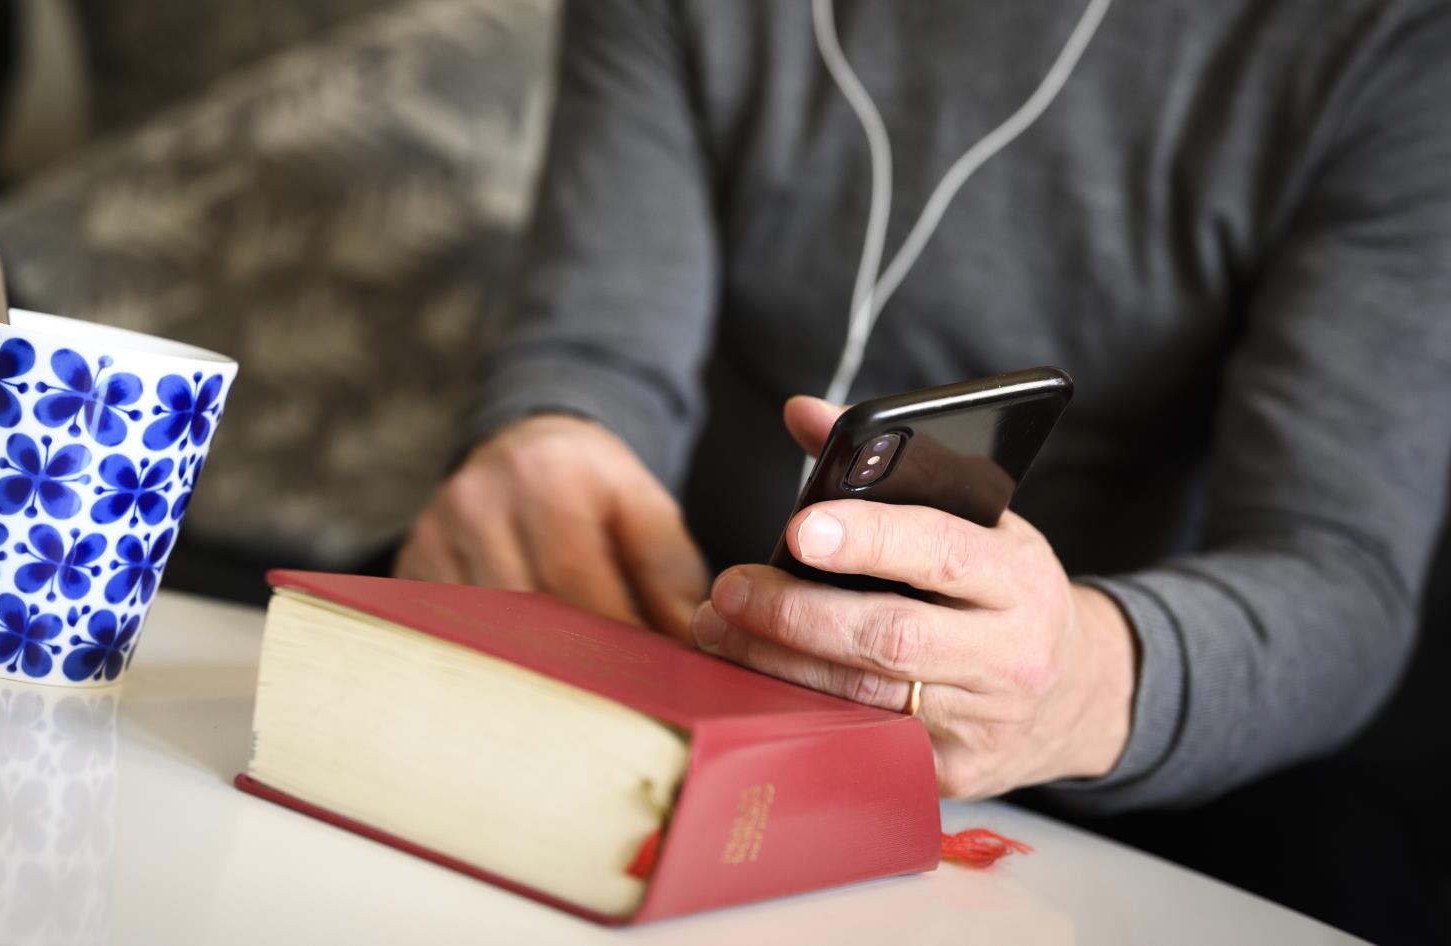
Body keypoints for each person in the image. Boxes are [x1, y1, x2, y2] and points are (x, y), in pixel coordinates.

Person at [396, 0, 1451, 818]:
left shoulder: (1386, 46)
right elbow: (596, 348)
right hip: (668, 654)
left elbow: (1339, 570)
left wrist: (1074, 683)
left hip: (1056, 765)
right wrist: (553, 436)